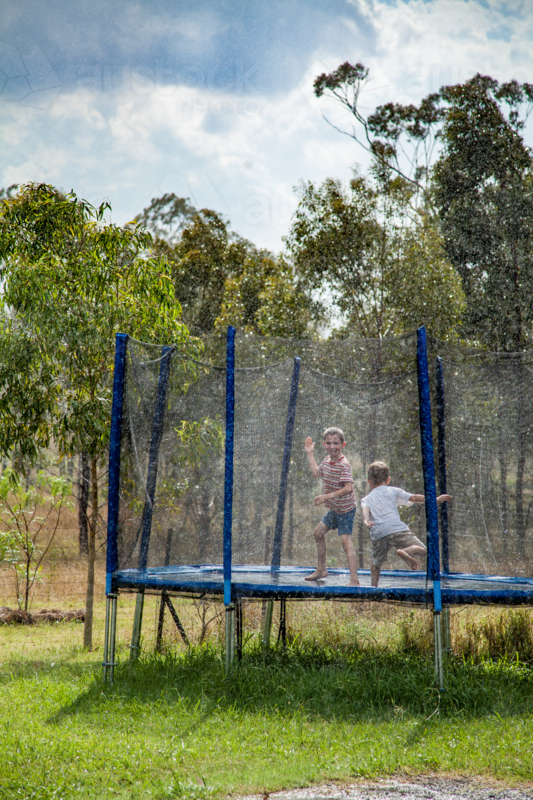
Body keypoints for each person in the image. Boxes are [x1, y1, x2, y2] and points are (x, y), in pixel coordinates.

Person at [361, 460, 451, 587]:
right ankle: (405, 551)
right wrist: (434, 500)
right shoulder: (393, 490)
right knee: (425, 551)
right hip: (396, 529)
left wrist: (366, 520)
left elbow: (365, 509)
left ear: (369, 481)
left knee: (375, 563)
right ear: (388, 480)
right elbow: (414, 497)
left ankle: (373, 588)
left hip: (379, 533)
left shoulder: (366, 498)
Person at [304, 427, 360, 586]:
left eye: (336, 443)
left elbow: (349, 488)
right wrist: (309, 453)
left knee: (345, 541)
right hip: (335, 509)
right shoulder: (326, 461)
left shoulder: (344, 465)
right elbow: (316, 473)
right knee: (318, 533)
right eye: (328, 443)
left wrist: (326, 496)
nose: (332, 446)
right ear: (324, 444)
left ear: (343, 444)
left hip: (346, 510)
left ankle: (354, 579)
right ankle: (321, 569)